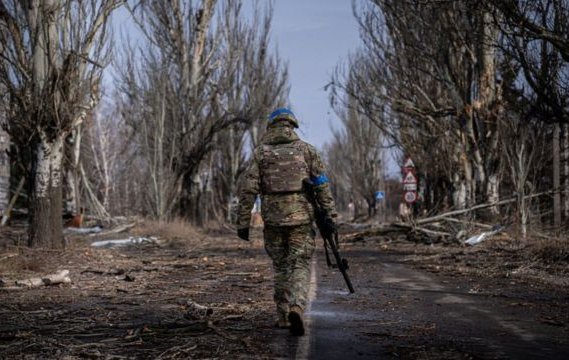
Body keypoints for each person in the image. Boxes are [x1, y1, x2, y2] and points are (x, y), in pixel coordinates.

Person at [236, 108, 337, 336]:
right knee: (300, 264)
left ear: (271, 127)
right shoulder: (307, 151)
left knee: (281, 266)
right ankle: (297, 307)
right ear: (292, 125)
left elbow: (248, 189)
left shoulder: (260, 154)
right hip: (301, 218)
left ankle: (283, 317)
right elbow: (321, 185)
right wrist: (330, 216)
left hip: (272, 220)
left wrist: (243, 222)